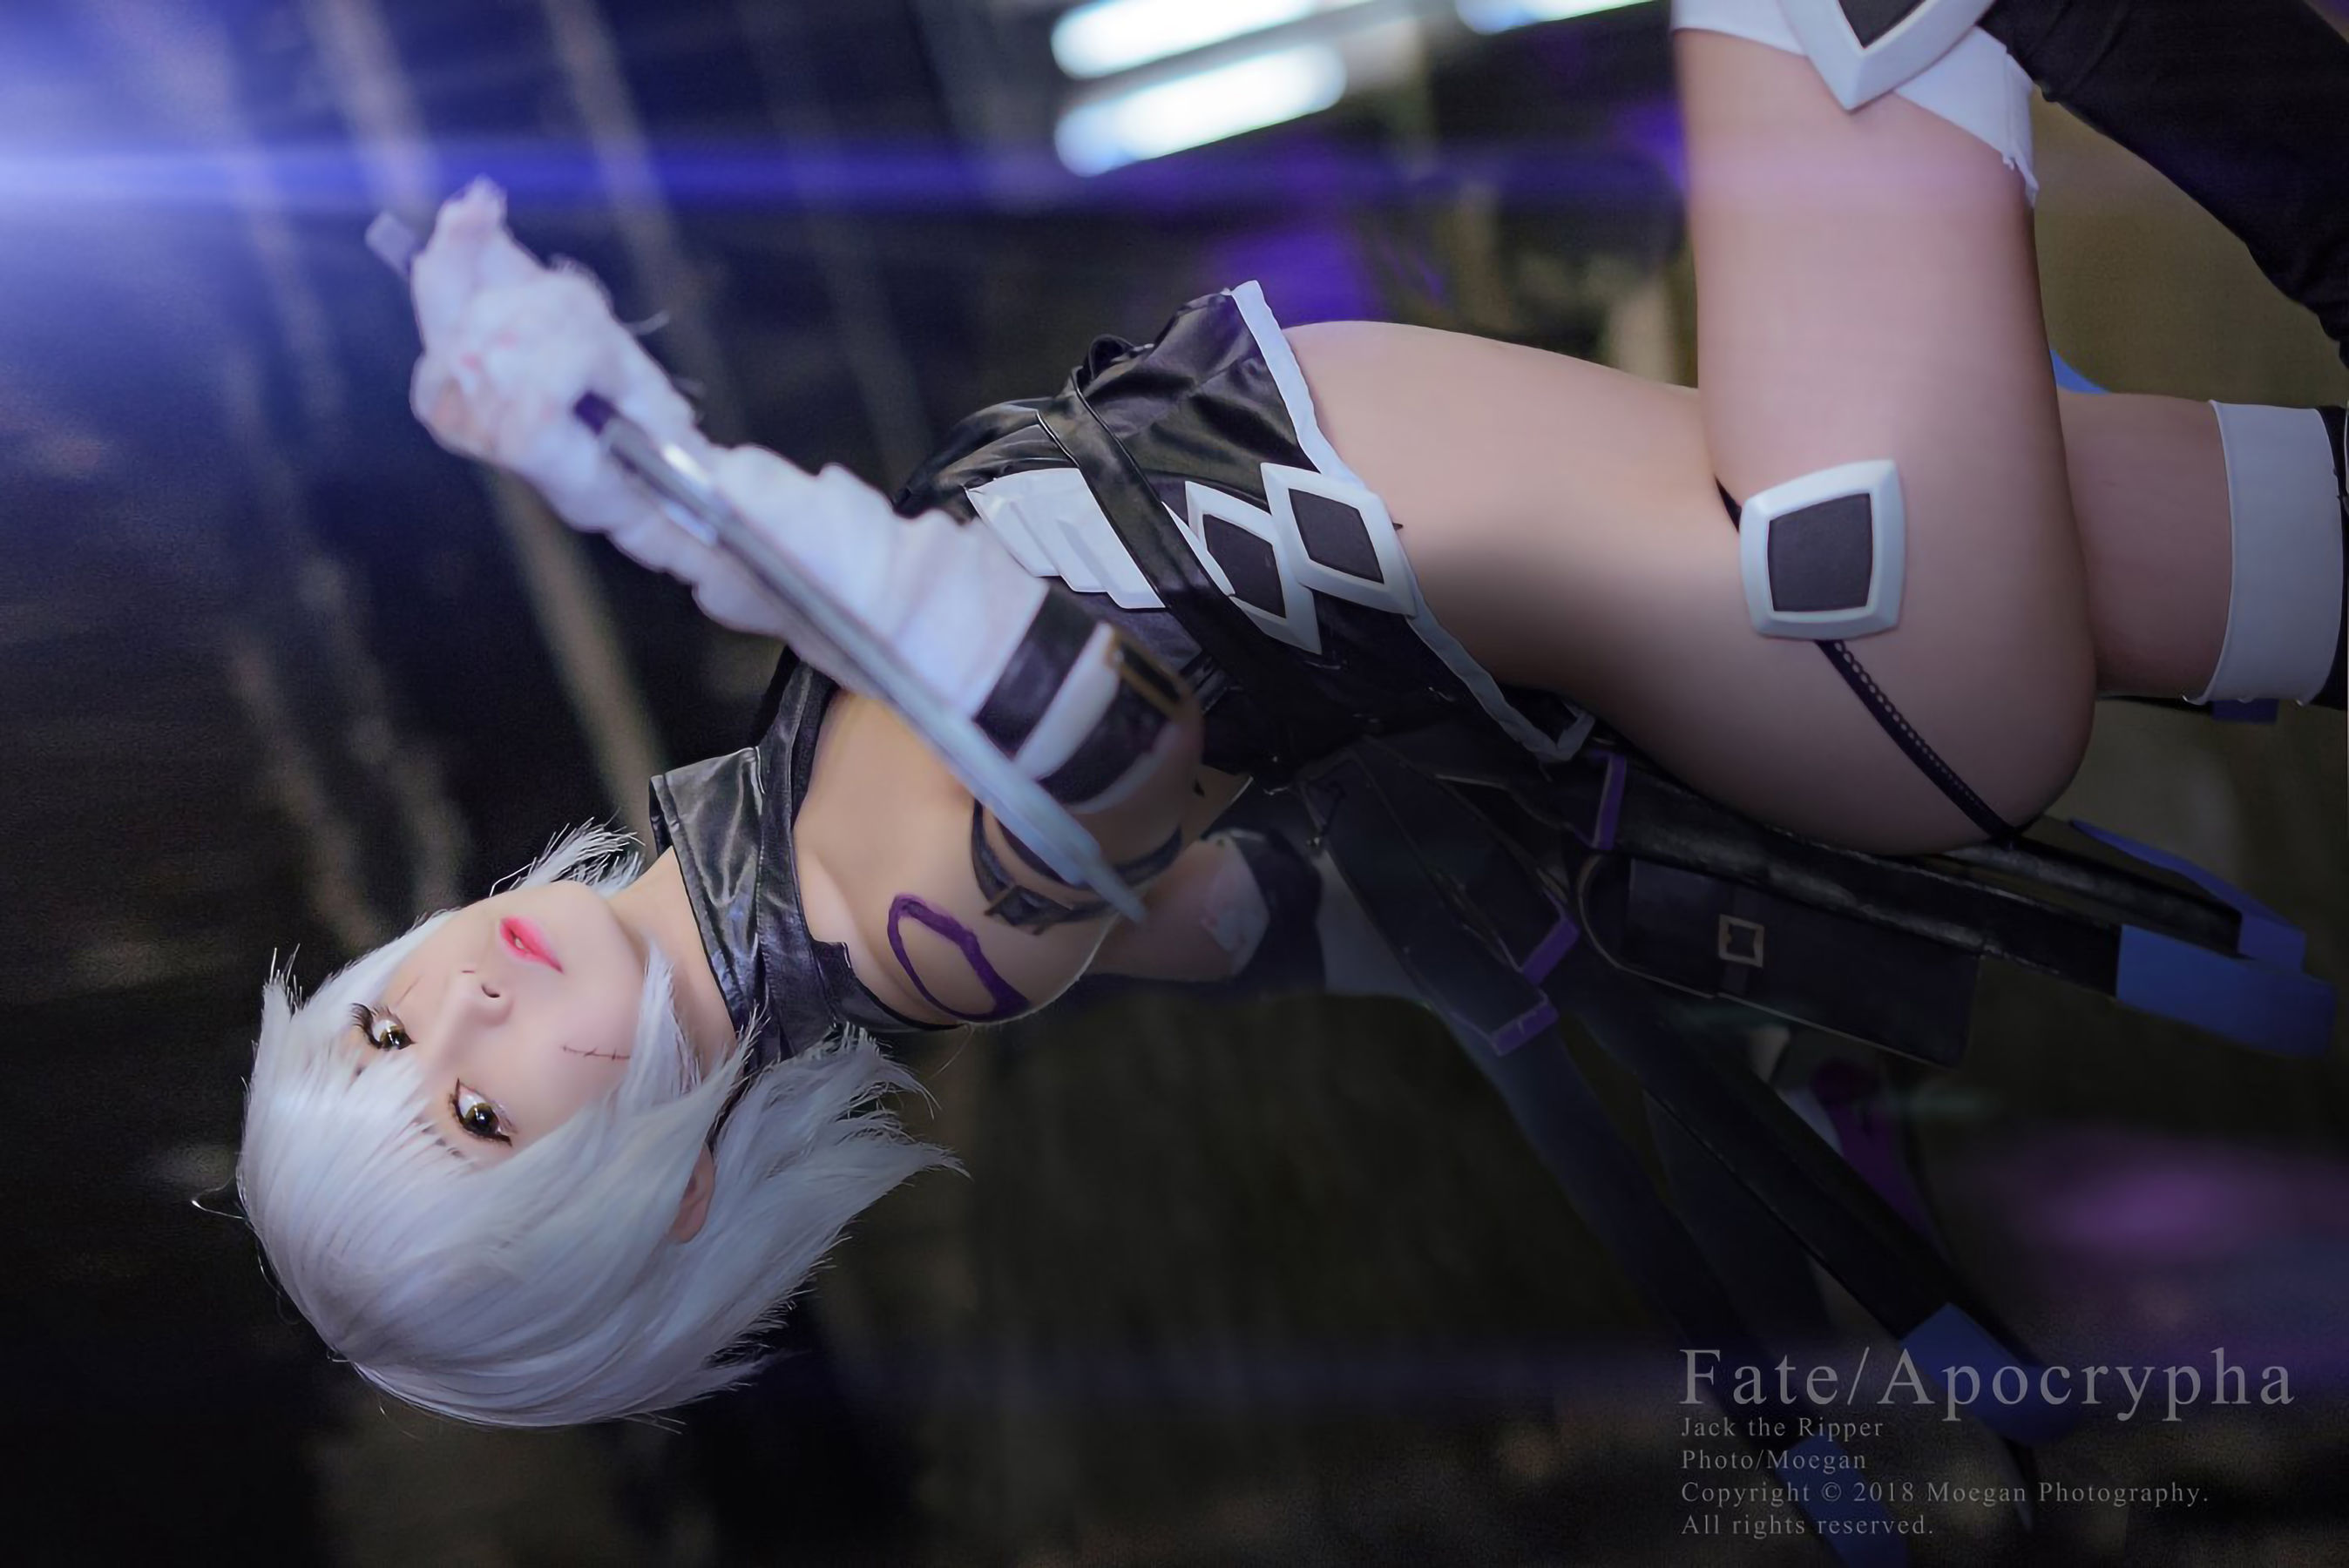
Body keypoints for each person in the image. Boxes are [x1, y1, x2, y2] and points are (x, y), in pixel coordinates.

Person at [237, 0, 2349, 1429]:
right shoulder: (908, 917)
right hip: (1836, 607)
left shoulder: (830, 820)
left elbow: (1261, 900)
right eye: (483, 1121)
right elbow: (1097, 749)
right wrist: (669, 486)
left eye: (383, 1038)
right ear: (661, 1210)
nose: (464, 1012)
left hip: (1808, 598)